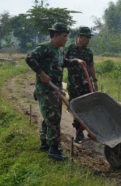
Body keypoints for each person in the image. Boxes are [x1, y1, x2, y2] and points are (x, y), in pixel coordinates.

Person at [26, 23, 86, 161]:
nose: (66, 39)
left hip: (56, 89)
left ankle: (45, 143)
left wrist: (76, 61)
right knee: (53, 119)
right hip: (46, 90)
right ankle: (54, 149)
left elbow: (62, 62)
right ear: (56, 35)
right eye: (64, 36)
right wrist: (41, 74)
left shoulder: (58, 51)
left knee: (49, 118)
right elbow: (29, 58)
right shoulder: (45, 48)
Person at [65, 26, 97, 143]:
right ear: (79, 37)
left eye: (89, 38)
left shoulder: (88, 51)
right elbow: (62, 62)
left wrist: (95, 81)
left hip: (87, 84)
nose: (88, 40)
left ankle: (90, 130)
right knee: (77, 108)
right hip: (74, 85)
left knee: (88, 108)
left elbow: (91, 66)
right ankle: (79, 132)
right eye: (86, 37)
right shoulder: (70, 49)